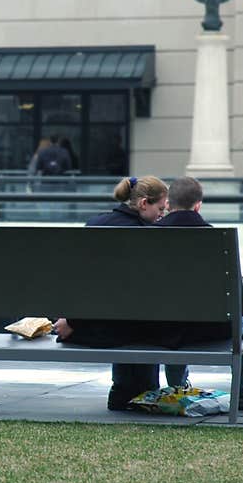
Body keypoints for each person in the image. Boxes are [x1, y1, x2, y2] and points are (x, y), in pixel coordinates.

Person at [52, 175, 170, 410]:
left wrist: (72, 320)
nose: (162, 215)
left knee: (127, 316)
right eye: (160, 208)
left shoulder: (95, 225)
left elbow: (83, 282)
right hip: (132, 327)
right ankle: (143, 389)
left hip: (94, 327)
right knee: (145, 320)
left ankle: (123, 389)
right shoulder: (152, 236)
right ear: (143, 203)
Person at [157, 176, 243, 409]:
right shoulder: (215, 239)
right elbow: (240, 287)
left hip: (162, 328)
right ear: (198, 206)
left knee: (175, 315)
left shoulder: (149, 236)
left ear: (167, 204)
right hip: (211, 328)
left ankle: (177, 386)